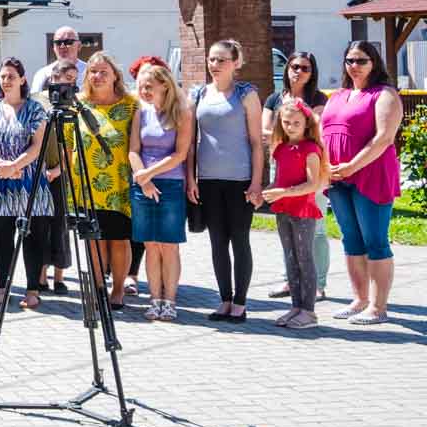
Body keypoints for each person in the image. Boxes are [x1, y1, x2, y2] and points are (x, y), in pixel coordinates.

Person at [323, 40, 405, 324]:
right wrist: (326, 167)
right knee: (352, 240)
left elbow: (383, 138)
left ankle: (379, 307)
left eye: (361, 61)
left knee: (375, 241)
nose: (354, 66)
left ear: (374, 63)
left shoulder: (385, 94)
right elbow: (324, 133)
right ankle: (359, 300)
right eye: (350, 61)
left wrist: (351, 166)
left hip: (370, 175)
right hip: (337, 177)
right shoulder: (338, 95)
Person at [188, 38, 264, 323]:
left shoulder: (246, 94)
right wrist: (190, 179)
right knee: (217, 241)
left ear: (236, 63)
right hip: (208, 179)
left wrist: (256, 183)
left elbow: (257, 143)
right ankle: (224, 300)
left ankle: (241, 303)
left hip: (240, 180)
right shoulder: (198, 93)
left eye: (221, 59)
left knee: (239, 240)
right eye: (211, 59)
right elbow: (192, 143)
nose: (215, 65)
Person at [0, 57, 54, 309]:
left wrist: (15, 166)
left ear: (22, 79)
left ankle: (32, 290)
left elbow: (37, 144)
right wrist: (2, 165)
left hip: (30, 181)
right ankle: (2, 288)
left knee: (33, 236)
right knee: (1, 237)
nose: (6, 81)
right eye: (2, 77)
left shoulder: (34, 108)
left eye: (11, 76)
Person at [67, 52, 137, 309]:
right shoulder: (77, 105)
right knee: (94, 240)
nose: (97, 76)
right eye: (93, 72)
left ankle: (117, 290)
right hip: (85, 185)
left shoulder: (130, 106)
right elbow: (67, 145)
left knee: (119, 239)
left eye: (103, 72)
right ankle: (97, 290)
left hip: (118, 185)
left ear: (115, 76)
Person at [127, 63, 192, 322]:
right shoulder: (139, 113)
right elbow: (133, 149)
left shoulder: (182, 113)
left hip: (170, 185)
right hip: (143, 184)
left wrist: (150, 174)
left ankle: (170, 301)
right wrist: (142, 179)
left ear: (165, 85)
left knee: (169, 246)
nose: (144, 91)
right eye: (141, 86)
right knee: (151, 245)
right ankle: (154, 299)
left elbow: (181, 153)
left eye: (149, 86)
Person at [264, 52, 331, 301]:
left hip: (310, 165)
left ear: (312, 73)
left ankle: (317, 285)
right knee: (288, 232)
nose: (298, 71)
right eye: (294, 66)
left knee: (317, 230)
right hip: (282, 163)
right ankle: (289, 281)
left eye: (305, 68)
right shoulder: (274, 98)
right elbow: (265, 129)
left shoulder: (318, 98)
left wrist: (284, 130)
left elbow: (316, 128)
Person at [263, 98, 329, 330]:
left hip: (303, 209)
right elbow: (278, 180)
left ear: (307, 124)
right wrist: (265, 192)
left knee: (304, 258)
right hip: (283, 208)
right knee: (290, 258)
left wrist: (285, 192)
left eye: (296, 123)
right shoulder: (280, 148)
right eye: (286, 122)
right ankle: (296, 307)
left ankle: (309, 312)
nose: (291, 126)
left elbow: (313, 184)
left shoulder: (311, 149)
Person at [33, 60, 79, 294]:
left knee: (60, 224)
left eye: (73, 78)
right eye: (66, 77)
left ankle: (59, 276)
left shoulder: (73, 103)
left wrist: (58, 169)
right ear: (53, 77)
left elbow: (72, 142)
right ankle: (40, 276)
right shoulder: (36, 100)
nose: (70, 82)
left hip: (61, 171)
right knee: (39, 225)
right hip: (38, 170)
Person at [30, 26, 88, 93]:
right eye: (58, 42)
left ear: (79, 46)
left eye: (68, 42)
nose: (62, 46)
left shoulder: (89, 72)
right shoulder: (43, 74)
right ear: (54, 48)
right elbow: (36, 99)